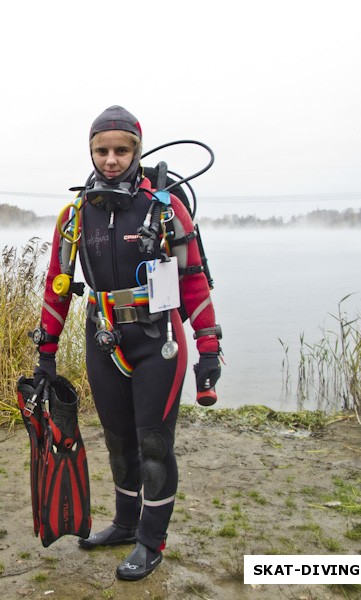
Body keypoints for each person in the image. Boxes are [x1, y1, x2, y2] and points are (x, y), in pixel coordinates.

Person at [31, 106, 222, 581]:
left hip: (158, 341)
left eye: (121, 150)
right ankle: (123, 523)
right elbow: (58, 282)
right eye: (102, 150)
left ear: (137, 149)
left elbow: (193, 279)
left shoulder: (165, 208)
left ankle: (150, 541)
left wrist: (209, 347)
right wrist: (46, 352)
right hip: (104, 339)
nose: (111, 160)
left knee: (153, 445)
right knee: (118, 443)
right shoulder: (75, 214)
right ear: (91, 152)